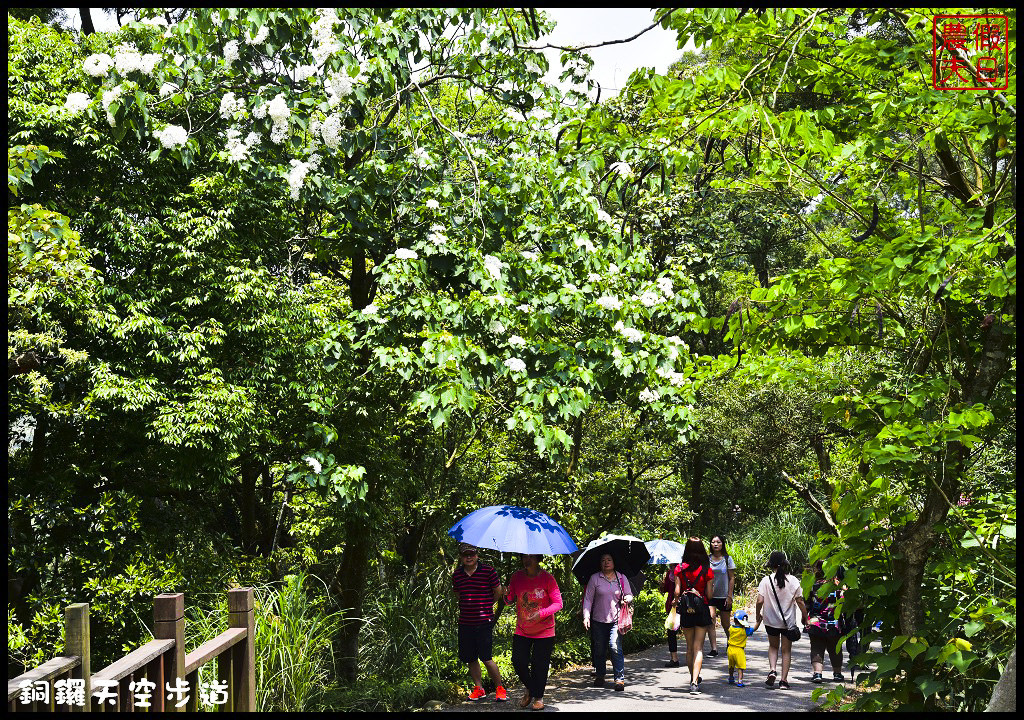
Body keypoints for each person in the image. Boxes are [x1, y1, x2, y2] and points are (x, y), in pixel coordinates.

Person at [505, 553, 563, 711]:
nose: (527, 560)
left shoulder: (547, 578)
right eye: (524, 556)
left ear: (538, 559)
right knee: (518, 661)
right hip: (522, 628)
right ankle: (531, 689)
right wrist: (506, 595)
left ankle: (538, 697)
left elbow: (558, 603)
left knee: (539, 665)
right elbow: (510, 600)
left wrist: (541, 613)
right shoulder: (516, 577)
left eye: (531, 556)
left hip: (545, 630)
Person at [451, 543, 508, 702]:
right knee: (471, 657)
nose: (468, 557)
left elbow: (497, 591)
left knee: (486, 657)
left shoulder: (488, 571)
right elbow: (458, 593)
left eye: (471, 554)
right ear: (461, 557)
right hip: (465, 621)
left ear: (477, 555)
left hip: (484, 621)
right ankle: (479, 689)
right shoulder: (457, 574)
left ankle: (500, 688)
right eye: (465, 555)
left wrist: (486, 604)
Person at [753, 550, 809, 690]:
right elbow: (800, 601)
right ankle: (783, 681)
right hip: (787, 623)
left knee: (773, 647)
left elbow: (759, 600)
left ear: (771, 565)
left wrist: (757, 615)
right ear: (785, 563)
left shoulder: (766, 580)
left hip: (770, 621)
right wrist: (805, 616)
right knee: (786, 650)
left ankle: (772, 670)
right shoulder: (793, 580)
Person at [582, 553, 633, 692]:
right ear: (600, 563)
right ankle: (600, 675)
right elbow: (588, 599)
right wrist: (586, 616)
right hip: (598, 620)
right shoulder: (595, 578)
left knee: (614, 646)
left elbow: (629, 594)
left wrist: (627, 599)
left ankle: (619, 679)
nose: (606, 562)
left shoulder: (621, 577)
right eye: (603, 560)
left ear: (614, 562)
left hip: (616, 620)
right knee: (599, 649)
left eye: (609, 560)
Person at [674, 537, 714, 696]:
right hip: (701, 608)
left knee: (689, 647)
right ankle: (694, 682)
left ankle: (693, 677)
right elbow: (710, 595)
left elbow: (677, 592)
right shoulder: (707, 569)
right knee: (698, 647)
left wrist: (679, 597)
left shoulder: (679, 569)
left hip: (685, 609)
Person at [807, 560, 845, 683]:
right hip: (834, 623)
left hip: (815, 622)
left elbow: (806, 603)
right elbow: (845, 602)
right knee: (835, 649)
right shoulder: (838, 586)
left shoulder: (812, 586)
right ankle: (837, 674)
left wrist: (805, 618)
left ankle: (817, 674)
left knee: (817, 648)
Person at [706, 535, 736, 658]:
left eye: (718, 542)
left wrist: (730, 596)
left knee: (725, 623)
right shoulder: (707, 559)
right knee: (711, 620)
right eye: (713, 542)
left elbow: (732, 578)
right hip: (710, 595)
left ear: (722, 544)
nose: (716, 544)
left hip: (724, 596)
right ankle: (714, 648)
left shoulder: (727, 559)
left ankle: (731, 643)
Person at [659, 563, 681, 667]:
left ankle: (692, 656)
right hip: (672, 607)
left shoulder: (684, 572)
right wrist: (662, 585)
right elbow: (665, 589)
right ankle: (674, 658)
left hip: (684, 605)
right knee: (671, 632)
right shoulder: (669, 573)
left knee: (689, 631)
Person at [727, 610, 753, 687]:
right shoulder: (744, 630)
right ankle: (740, 681)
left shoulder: (731, 628)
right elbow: (754, 629)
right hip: (739, 650)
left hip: (730, 649)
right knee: (740, 667)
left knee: (731, 665)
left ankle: (731, 677)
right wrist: (758, 621)